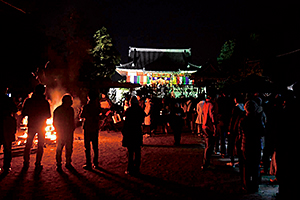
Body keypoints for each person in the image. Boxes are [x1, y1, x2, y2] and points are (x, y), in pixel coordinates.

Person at [22, 84, 51, 170]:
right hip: (41, 126)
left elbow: (24, 113)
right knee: (40, 145)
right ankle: (38, 163)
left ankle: (26, 162)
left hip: (32, 125)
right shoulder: (45, 102)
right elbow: (49, 115)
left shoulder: (29, 101)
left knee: (28, 143)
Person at [238, 100, 265, 193]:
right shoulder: (257, 120)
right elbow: (263, 132)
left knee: (246, 165)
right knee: (255, 165)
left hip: (245, 144)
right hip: (256, 144)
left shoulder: (243, 120)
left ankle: (246, 185)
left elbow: (240, 133)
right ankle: (255, 185)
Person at [122, 96, 145, 175]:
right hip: (137, 131)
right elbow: (142, 119)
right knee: (137, 151)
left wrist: (124, 131)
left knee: (130, 151)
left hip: (130, 131)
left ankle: (130, 168)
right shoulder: (140, 110)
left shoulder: (129, 110)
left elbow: (126, 122)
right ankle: (137, 168)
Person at [53, 94, 75, 171]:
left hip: (67, 132)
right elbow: (55, 122)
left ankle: (67, 162)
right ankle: (59, 163)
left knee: (68, 148)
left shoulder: (69, 110)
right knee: (60, 148)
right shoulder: (59, 110)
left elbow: (72, 121)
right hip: (62, 132)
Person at [80, 90, 101, 170]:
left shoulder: (86, 107)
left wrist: (81, 110)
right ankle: (95, 163)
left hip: (88, 127)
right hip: (95, 127)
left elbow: (81, 116)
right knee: (95, 146)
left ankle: (88, 163)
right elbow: (99, 114)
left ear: (88, 97)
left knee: (87, 147)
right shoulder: (96, 107)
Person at [0, 87, 17, 174]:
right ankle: (6, 167)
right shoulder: (7, 100)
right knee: (7, 147)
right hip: (6, 124)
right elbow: (15, 109)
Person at [201, 93, 218, 170]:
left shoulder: (205, 104)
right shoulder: (212, 105)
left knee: (208, 144)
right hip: (209, 126)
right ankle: (206, 162)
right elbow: (213, 116)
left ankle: (206, 161)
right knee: (209, 145)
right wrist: (215, 127)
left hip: (204, 125)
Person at [228, 95, 245, 167]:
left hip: (234, 129)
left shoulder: (235, 108)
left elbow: (232, 119)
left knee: (232, 144)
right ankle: (240, 160)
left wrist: (230, 129)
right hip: (241, 129)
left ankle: (232, 161)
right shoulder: (244, 108)